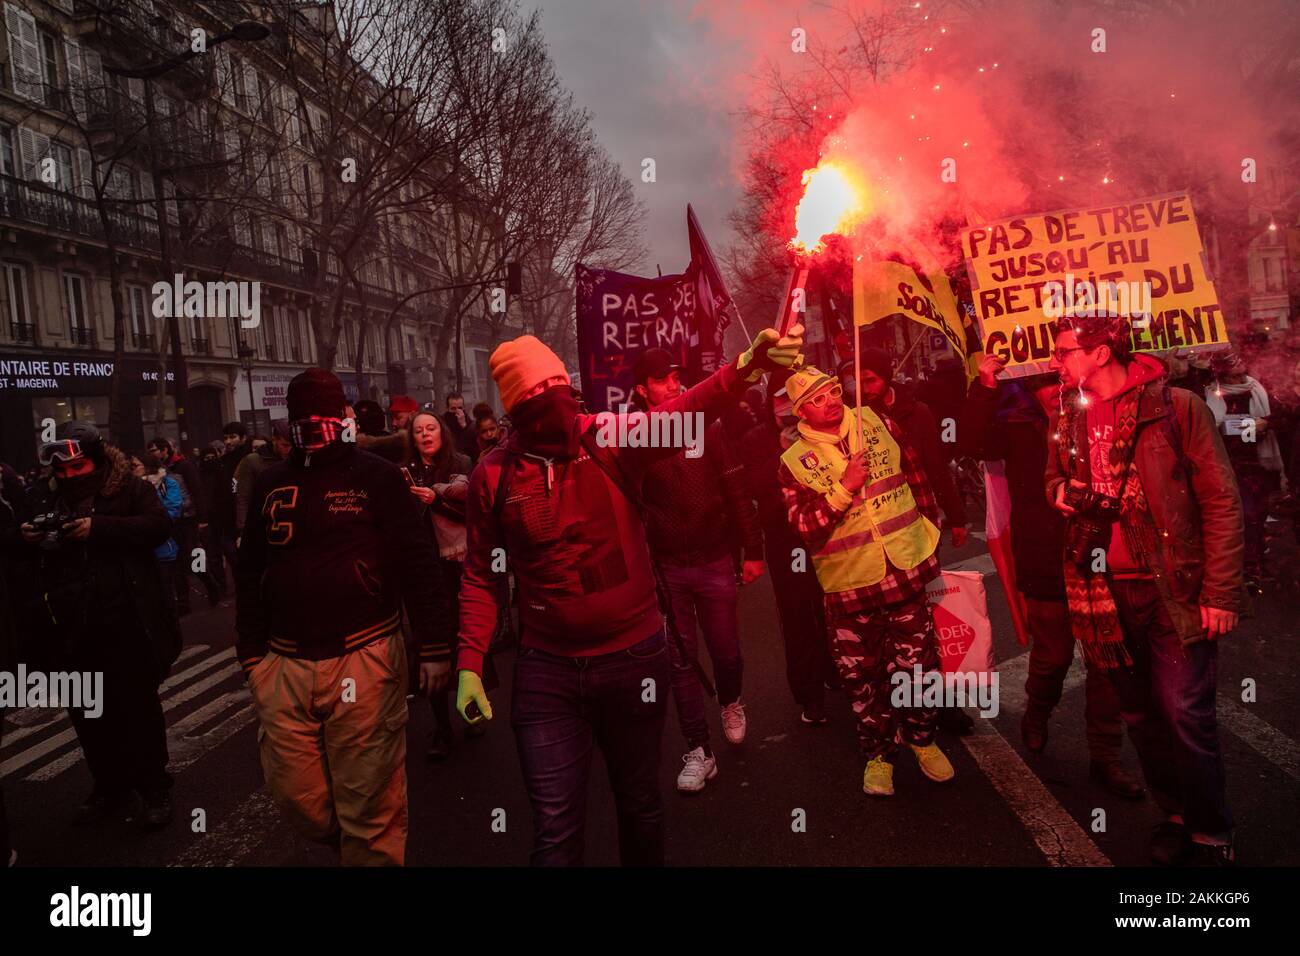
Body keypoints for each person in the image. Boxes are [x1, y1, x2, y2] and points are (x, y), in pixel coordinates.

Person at [455, 325, 804, 865]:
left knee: (639, 803)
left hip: (632, 656)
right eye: (540, 397)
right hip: (547, 671)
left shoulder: (609, 436)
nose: (559, 407)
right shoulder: (492, 476)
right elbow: (481, 573)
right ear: (518, 411)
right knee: (554, 829)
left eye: (562, 391)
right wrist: (469, 663)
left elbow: (683, 412)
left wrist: (743, 368)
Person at [1046, 314, 1243, 866]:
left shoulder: (1177, 407)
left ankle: (1210, 833)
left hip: (1172, 585)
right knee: (1140, 715)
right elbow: (1052, 478)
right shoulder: (1070, 411)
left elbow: (1221, 501)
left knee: (1184, 711)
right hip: (1103, 586)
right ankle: (1176, 815)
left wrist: (1222, 593)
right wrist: (1062, 490)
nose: (1055, 362)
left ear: (1102, 352)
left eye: (1064, 351)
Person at [236, 369, 454, 866]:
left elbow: (418, 561)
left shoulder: (375, 476)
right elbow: (248, 571)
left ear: (344, 417)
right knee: (301, 803)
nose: (311, 427)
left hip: (366, 657)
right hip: (284, 664)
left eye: (322, 416)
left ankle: (367, 850)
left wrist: (435, 646)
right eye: (299, 417)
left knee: (371, 810)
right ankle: (355, 844)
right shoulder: (272, 481)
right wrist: (252, 657)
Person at [958, 353, 1142, 799]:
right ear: (1029, 386)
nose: (1051, 392)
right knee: (1052, 654)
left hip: (1097, 549)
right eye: (1041, 385)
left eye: (1055, 382)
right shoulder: (1016, 423)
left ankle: (1106, 756)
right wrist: (984, 384)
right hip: (1043, 552)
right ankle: (1037, 713)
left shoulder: (1096, 409)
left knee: (1105, 658)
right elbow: (973, 442)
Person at [779, 366, 956, 798]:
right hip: (849, 587)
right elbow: (805, 526)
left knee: (919, 668)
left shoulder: (876, 422)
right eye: (817, 399)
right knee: (862, 679)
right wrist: (844, 489)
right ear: (801, 410)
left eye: (834, 391)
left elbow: (916, 477)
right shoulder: (791, 461)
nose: (831, 401)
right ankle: (878, 755)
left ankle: (923, 740)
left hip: (905, 570)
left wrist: (930, 531)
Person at [8, 422, 180, 828]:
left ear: (99, 460)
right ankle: (110, 787)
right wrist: (25, 536)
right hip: (69, 628)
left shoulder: (131, 489)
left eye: (77, 468)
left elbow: (159, 527)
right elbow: (11, 543)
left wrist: (98, 529)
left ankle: (154, 787)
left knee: (138, 712)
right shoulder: (41, 494)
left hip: (126, 622)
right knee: (89, 716)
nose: (68, 477)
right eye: (61, 471)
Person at [632, 347, 764, 793]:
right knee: (680, 661)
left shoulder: (706, 424)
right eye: (662, 379)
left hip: (713, 561)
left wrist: (753, 548)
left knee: (726, 651)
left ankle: (730, 701)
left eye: (676, 377)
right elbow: (628, 506)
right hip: (666, 570)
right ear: (641, 389)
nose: (673, 385)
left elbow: (735, 485)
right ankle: (698, 751)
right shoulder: (633, 436)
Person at [401, 409, 495, 760]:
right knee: (429, 644)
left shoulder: (461, 463)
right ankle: (441, 727)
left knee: (464, 638)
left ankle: (471, 711)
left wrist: (436, 498)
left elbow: (473, 512)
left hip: (457, 565)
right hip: (425, 570)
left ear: (442, 434)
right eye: (418, 430)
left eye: (431, 428)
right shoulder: (405, 472)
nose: (425, 435)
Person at [740, 380, 834, 724]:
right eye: (778, 399)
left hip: (825, 533)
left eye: (789, 399)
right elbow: (752, 486)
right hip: (785, 539)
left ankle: (835, 672)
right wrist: (781, 450)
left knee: (830, 608)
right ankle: (809, 694)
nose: (785, 406)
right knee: (797, 617)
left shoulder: (816, 428)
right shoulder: (755, 438)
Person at [1204, 351, 1284, 593]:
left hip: (1260, 462)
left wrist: (1266, 422)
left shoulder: (1258, 387)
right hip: (1233, 463)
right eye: (1231, 361)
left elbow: (1283, 414)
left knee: (1259, 515)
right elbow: (1210, 425)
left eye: (1238, 358)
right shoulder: (1212, 392)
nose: (1238, 362)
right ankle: (1248, 570)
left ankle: (1258, 564)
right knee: (1246, 515)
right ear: (1222, 369)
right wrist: (1241, 426)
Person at [147, 435, 221, 612]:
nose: (151, 454)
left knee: (194, 556)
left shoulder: (184, 466)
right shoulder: (157, 469)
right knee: (177, 562)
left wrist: (202, 518)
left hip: (188, 518)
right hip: (172, 520)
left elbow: (197, 490)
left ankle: (210, 584)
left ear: (164, 450)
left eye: (154, 451)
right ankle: (183, 602)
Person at [131, 453, 184, 615]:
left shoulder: (167, 483)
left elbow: (173, 510)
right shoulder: (131, 487)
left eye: (135, 466)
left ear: (147, 466)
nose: (131, 470)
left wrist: (147, 521)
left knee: (165, 590)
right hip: (139, 549)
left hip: (162, 545)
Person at [234, 420, 291, 543]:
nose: (289, 450)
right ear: (274, 440)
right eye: (285, 445)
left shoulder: (295, 459)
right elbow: (243, 497)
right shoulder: (252, 461)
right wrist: (242, 531)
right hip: (263, 522)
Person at [211, 422, 252, 589]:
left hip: (246, 516)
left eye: (233, 437)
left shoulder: (250, 458)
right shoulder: (223, 462)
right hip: (227, 518)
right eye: (226, 437)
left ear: (243, 438)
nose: (228, 441)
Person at [442, 392, 478, 460]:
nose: (457, 411)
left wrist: (464, 426)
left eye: (460, 408)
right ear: (447, 408)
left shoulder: (471, 424)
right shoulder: (441, 423)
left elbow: (474, 445)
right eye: (453, 409)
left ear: (464, 407)